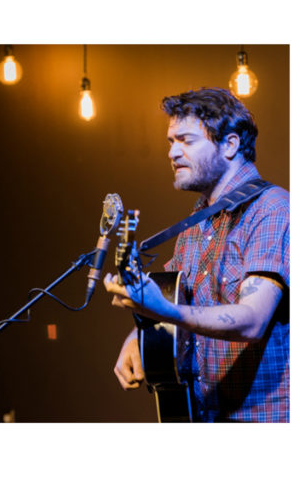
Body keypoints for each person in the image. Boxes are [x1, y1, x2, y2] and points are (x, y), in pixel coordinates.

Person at [106, 87, 289, 421]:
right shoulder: (196, 225)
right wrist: (140, 334)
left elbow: (252, 320)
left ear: (230, 144)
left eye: (186, 140)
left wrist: (164, 310)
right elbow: (174, 298)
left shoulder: (272, 208)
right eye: (170, 142)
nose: (172, 152)